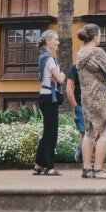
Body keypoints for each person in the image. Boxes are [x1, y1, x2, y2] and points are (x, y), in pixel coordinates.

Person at [76, 23, 106, 180]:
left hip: (86, 97)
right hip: (100, 97)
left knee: (90, 133)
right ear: (94, 36)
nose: (100, 37)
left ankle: (86, 169)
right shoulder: (97, 52)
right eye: (99, 34)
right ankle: (98, 170)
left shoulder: (80, 54)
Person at [33, 29, 66, 176]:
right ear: (48, 41)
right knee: (51, 133)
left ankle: (39, 164)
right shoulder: (50, 59)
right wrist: (63, 75)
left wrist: (59, 76)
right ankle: (48, 166)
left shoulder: (43, 57)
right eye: (56, 39)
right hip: (49, 97)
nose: (58, 42)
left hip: (44, 96)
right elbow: (59, 79)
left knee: (47, 131)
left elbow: (56, 77)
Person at [66, 64, 85, 164]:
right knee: (85, 133)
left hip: (95, 105)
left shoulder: (96, 66)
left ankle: (81, 149)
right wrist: (75, 106)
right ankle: (86, 159)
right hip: (81, 105)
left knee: (98, 133)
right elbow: (69, 88)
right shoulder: (75, 67)